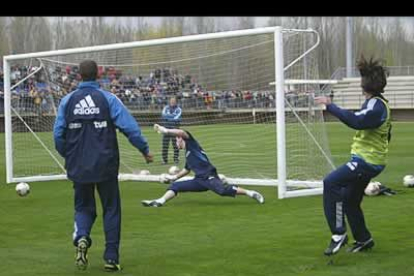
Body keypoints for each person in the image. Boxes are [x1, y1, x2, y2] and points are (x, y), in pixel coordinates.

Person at [53, 60, 153, 271]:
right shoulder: (108, 99)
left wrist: (69, 156)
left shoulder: (67, 101)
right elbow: (130, 128)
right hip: (105, 165)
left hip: (78, 166)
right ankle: (111, 258)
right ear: (98, 75)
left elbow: (58, 135)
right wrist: (144, 149)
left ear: (79, 75)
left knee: (83, 207)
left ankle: (82, 237)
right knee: (111, 209)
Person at [314, 55, 391, 256]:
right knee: (349, 199)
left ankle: (338, 234)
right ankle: (364, 239)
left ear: (363, 85)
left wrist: (331, 106)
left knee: (331, 182)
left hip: (367, 162)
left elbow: (356, 120)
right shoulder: (376, 104)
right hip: (370, 160)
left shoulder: (377, 105)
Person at [141, 124, 265, 207]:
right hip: (199, 180)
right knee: (176, 186)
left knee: (222, 191)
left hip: (209, 175)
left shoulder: (192, 145)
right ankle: (159, 202)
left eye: (176, 140)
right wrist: (173, 178)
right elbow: (186, 170)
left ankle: (251, 193)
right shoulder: (188, 154)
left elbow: (183, 132)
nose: (176, 142)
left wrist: (166, 131)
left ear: (180, 139)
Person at [161, 97, 182, 164]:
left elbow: (177, 118)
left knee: (175, 145)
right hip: (166, 129)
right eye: (171, 101)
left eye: (173, 101)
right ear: (169, 101)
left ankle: (176, 159)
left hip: (175, 129)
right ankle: (164, 160)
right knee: (165, 145)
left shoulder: (179, 109)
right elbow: (164, 116)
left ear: (176, 102)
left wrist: (168, 117)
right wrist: (171, 117)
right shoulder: (165, 108)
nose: (172, 102)